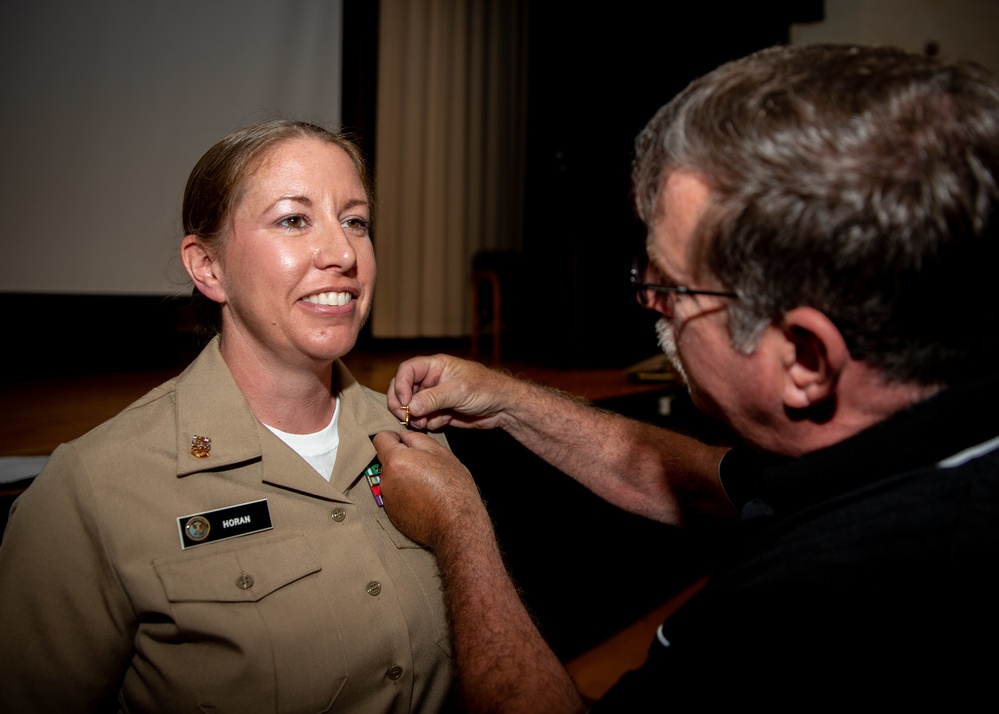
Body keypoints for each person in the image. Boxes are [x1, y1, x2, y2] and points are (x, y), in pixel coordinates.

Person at [371, 44, 999, 711]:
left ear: (805, 358)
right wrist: (508, 400)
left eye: (671, 285)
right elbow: (708, 487)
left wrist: (460, 527)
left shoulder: (820, 604)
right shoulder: (915, 428)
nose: (650, 302)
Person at [0, 121, 454, 712]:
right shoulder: (96, 488)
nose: (344, 253)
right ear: (208, 268)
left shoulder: (416, 437)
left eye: (355, 221)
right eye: (294, 219)